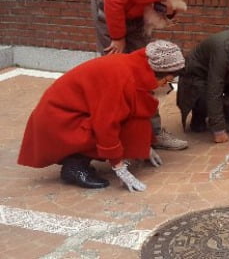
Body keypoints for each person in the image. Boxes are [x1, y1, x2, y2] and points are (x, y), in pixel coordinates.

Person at [91, 0, 218, 151]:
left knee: (149, 71)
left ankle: (153, 133)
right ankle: (114, 134)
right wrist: (118, 37)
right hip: (110, 10)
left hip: (138, 12)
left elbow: (161, 0)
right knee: (116, 74)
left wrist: (167, 12)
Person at [17, 40, 186, 192]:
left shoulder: (137, 67)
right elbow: (105, 125)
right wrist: (119, 167)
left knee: (132, 120)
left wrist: (145, 145)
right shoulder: (123, 80)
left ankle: (79, 159)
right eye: (166, 81)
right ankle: (75, 166)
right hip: (59, 122)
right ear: (159, 72)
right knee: (107, 130)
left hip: (71, 115)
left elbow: (137, 114)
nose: (165, 86)